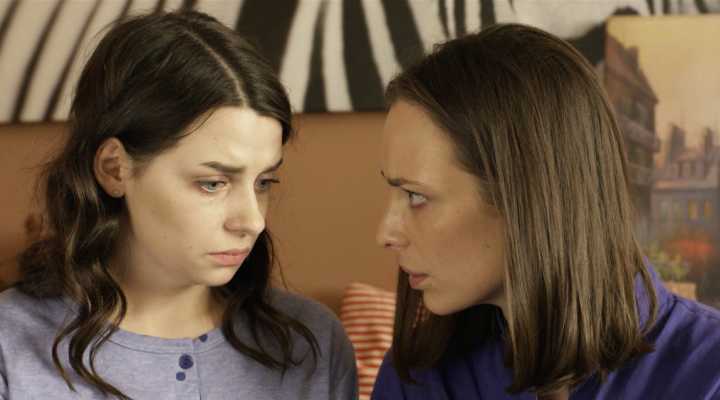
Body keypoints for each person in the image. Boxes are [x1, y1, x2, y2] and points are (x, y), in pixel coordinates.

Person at [0, 10, 357, 400]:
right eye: (212, 183)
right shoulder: (9, 345)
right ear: (114, 169)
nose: (252, 221)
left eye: (263, 183)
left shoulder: (313, 343)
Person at [372, 23, 720, 400]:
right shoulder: (417, 379)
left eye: (415, 196)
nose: (385, 234)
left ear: (524, 192)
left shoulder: (709, 375)